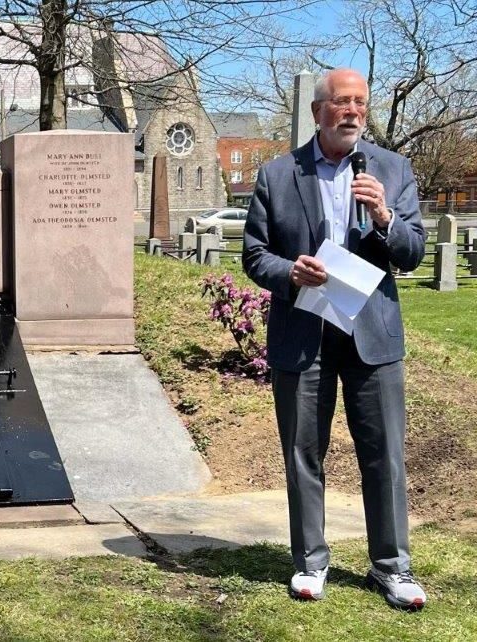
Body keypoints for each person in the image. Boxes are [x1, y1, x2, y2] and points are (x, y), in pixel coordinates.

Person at [242, 68, 428, 610]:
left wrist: (385, 216)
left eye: (360, 104)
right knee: (304, 451)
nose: (352, 112)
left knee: (385, 453)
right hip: (305, 329)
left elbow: (412, 253)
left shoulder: (392, 169)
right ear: (319, 110)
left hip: (371, 332)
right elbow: (256, 254)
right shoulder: (278, 174)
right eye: (342, 102)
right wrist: (290, 273)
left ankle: (391, 567)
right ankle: (310, 562)